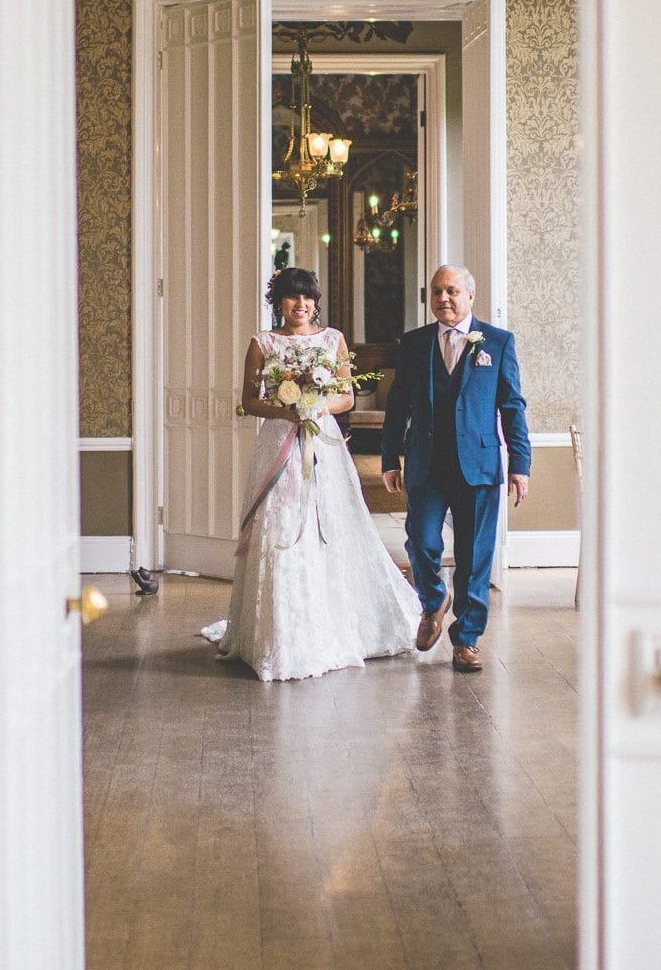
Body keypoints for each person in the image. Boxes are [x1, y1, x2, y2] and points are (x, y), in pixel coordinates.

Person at [201, 267, 421, 681]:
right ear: (279, 302)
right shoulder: (261, 343)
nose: (300, 305)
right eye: (291, 298)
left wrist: (316, 406)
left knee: (331, 523)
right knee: (279, 523)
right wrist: (288, 410)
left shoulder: (332, 340)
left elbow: (346, 396)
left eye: (306, 298)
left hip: (322, 444)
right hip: (278, 444)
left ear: (315, 302)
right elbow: (250, 400)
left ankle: (334, 625)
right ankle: (275, 633)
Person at [381, 265, 531, 673]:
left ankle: (467, 639)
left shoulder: (497, 342)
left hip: (479, 466)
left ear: (470, 296)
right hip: (427, 464)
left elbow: (512, 406)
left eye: (451, 291)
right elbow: (397, 406)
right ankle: (434, 601)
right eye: (436, 292)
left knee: (474, 555)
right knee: (422, 541)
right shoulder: (413, 344)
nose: (443, 298)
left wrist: (520, 463)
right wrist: (389, 457)